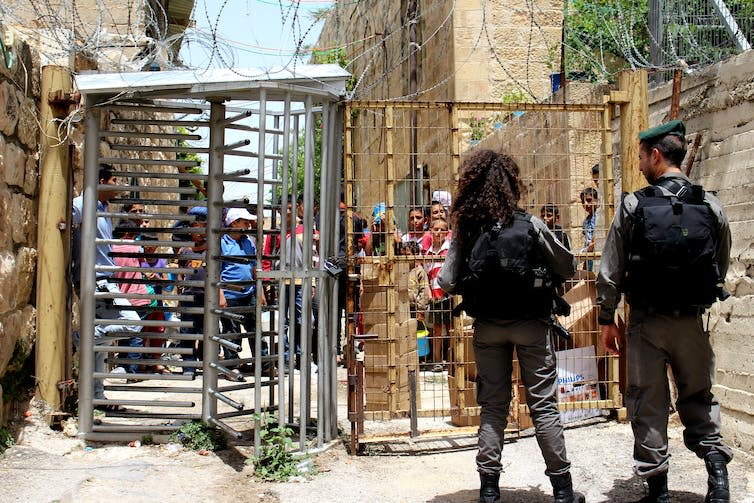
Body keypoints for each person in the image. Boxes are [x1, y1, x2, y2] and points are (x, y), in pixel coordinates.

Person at [596, 120, 732, 503]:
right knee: (700, 397)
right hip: (692, 320)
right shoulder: (710, 205)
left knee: (647, 401)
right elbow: (720, 265)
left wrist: (607, 319)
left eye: (641, 158)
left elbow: (610, 270)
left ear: (656, 155)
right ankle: (718, 480)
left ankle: (658, 492)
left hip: (647, 323)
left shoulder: (634, 205)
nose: (639, 166)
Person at [437, 149, 583, 503]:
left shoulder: (467, 231)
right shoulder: (529, 224)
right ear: (511, 185)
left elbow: (446, 280)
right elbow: (568, 268)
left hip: (487, 328)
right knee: (543, 406)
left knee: (493, 406)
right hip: (532, 325)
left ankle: (489, 490)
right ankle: (563, 491)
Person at [71, 165, 142, 410]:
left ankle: (96, 397)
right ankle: (79, 339)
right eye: (114, 180)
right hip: (96, 280)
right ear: (101, 181)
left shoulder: (103, 209)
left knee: (99, 347)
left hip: (103, 279)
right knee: (133, 322)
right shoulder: (84, 203)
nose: (118, 185)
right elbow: (64, 220)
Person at [219, 208, 266, 380]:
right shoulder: (220, 244)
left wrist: (260, 291)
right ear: (234, 223)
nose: (248, 225)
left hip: (249, 293)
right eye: (244, 222)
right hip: (230, 295)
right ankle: (232, 367)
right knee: (232, 331)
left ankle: (262, 363)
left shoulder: (248, 242)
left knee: (255, 330)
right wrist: (220, 295)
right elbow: (215, 271)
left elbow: (255, 269)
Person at [424, 215, 452, 372]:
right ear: (430, 232)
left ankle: (452, 359)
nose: (439, 232)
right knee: (436, 328)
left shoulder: (449, 250)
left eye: (442, 230)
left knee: (451, 327)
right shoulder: (428, 253)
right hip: (435, 294)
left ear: (447, 232)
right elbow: (428, 275)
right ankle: (437, 360)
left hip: (448, 294)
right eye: (436, 229)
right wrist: (428, 291)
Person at [579, 187, 599, 271]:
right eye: (583, 202)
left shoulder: (599, 216)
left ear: (597, 200)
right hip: (590, 258)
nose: (586, 204)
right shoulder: (586, 221)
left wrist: (585, 251)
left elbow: (595, 240)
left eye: (589, 200)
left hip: (597, 256)